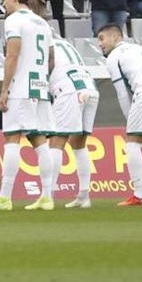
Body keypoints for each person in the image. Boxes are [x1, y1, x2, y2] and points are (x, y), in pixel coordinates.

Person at [0, 0, 55, 212]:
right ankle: (47, 196)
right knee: (38, 139)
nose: (3, 2)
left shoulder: (14, 21)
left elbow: (12, 55)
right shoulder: (42, 22)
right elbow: (51, 58)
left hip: (20, 88)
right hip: (39, 85)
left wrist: (4, 90)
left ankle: (4, 197)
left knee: (11, 137)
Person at [98, 25, 142, 206]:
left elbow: (122, 92)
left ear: (116, 37)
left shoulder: (114, 56)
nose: (99, 44)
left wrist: (128, 116)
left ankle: (138, 195)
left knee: (132, 142)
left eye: (102, 38)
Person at [43, 38, 99, 209]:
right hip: (89, 85)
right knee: (78, 143)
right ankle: (84, 196)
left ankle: (48, 196)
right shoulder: (64, 42)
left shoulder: (41, 41)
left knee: (56, 140)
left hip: (67, 88)